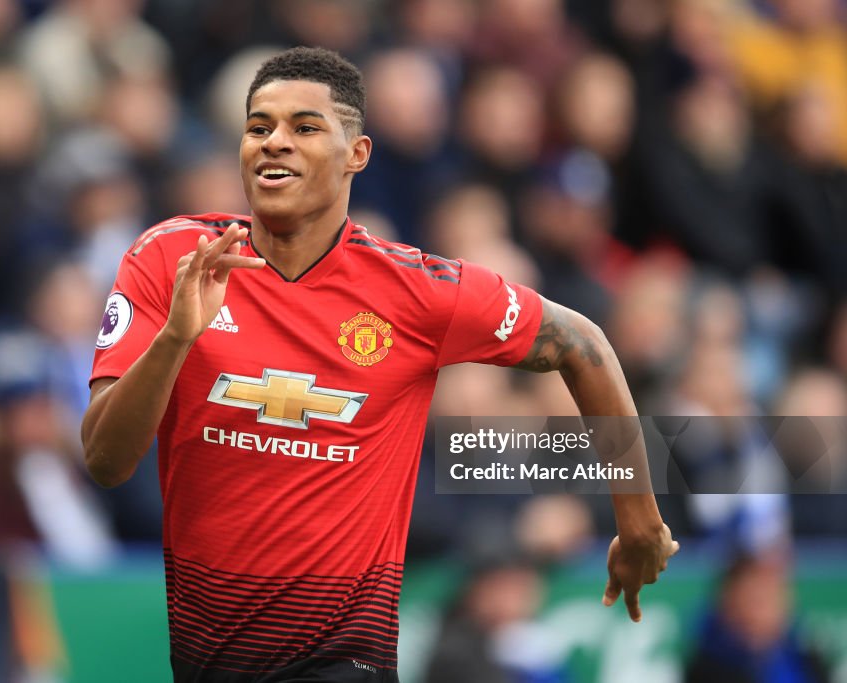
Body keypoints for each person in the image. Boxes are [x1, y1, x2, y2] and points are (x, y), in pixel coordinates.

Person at [81, 46, 678, 682]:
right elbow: (106, 462)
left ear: (357, 155)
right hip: (209, 661)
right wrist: (175, 338)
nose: (274, 142)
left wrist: (637, 518)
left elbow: (582, 344)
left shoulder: (417, 291)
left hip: (346, 659)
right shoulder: (172, 260)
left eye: (305, 127)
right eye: (259, 127)